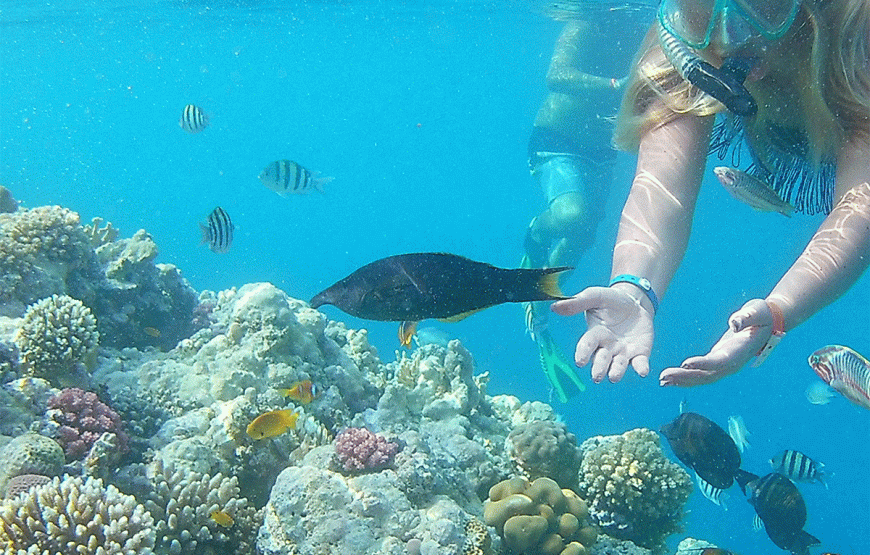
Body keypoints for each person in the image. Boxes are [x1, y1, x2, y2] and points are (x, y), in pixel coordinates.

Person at [551, 0, 870, 386]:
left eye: (758, 9)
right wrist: (633, 286)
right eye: (707, 14)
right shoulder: (684, 42)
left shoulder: (858, 35)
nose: (729, 39)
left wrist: (782, 308)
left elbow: (861, 204)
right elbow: (662, 189)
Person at [522, 14, 648, 402]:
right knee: (572, 214)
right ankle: (535, 234)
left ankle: (541, 313)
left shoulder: (649, 30)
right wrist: (617, 86)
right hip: (559, 139)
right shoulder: (585, 25)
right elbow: (556, 76)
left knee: (587, 231)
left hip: (602, 152)